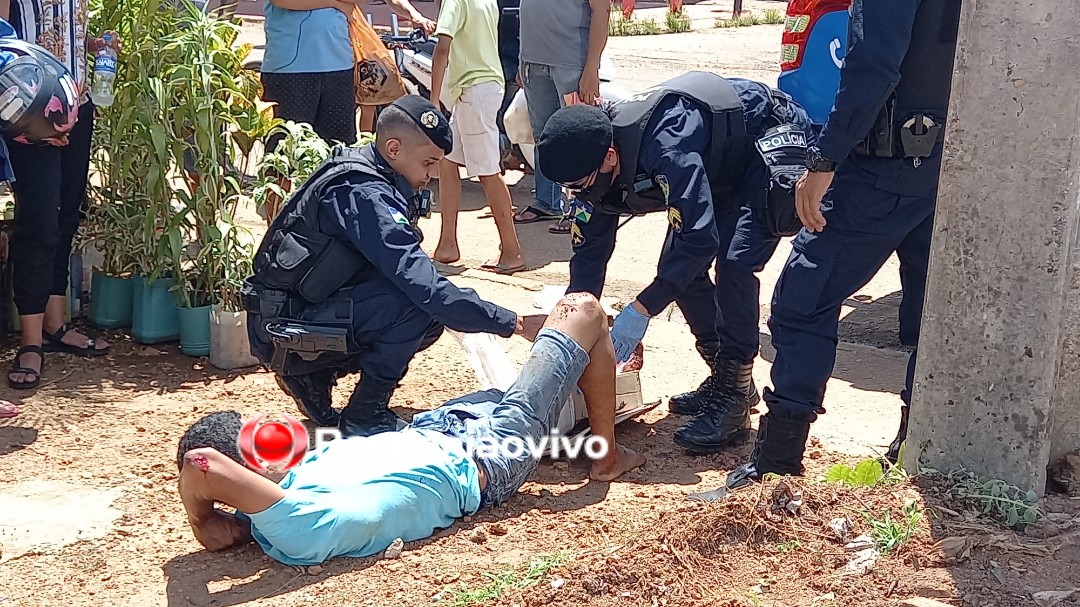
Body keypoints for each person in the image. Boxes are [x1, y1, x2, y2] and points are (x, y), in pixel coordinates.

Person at [177, 292, 646, 565]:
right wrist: (204, 522)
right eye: (257, 442)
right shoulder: (296, 523)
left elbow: (215, 480)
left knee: (562, 378)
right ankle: (605, 456)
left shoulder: (299, 484)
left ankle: (594, 416)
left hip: (434, 428)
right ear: (249, 474)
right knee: (582, 311)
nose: (271, 431)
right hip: (489, 456)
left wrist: (223, 522)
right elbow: (203, 467)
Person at [724, 0, 963, 489]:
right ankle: (916, 449)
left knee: (803, 298)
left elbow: (873, 64)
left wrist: (824, 160)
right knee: (932, 316)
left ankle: (776, 466)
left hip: (885, 167)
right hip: (949, 161)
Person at [535, 71, 816, 453]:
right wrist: (573, 330)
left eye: (582, 185)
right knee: (681, 270)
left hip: (761, 141)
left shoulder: (665, 145)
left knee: (733, 262)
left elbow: (699, 241)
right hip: (713, 158)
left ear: (611, 158)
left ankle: (734, 399)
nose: (580, 194)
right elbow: (589, 254)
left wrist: (641, 309)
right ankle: (726, 376)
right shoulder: (590, 163)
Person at [243, 95, 525, 439]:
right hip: (283, 326)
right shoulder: (364, 192)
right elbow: (424, 286)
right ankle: (365, 413)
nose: (430, 175)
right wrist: (515, 323)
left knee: (426, 314)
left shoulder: (372, 171)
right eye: (427, 163)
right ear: (394, 148)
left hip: (295, 313)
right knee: (418, 304)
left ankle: (311, 376)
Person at [0, 0, 119, 389]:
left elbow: (68, 31)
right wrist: (31, 114)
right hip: (29, 115)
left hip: (77, 106)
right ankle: (30, 341)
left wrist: (96, 49)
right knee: (39, 220)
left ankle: (55, 324)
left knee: (67, 213)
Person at [429, 0, 525, 274]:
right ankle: (447, 244)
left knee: (487, 171)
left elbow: (442, 49)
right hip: (477, 88)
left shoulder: (454, 1)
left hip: (473, 90)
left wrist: (433, 101)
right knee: (448, 162)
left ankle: (511, 250)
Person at [511, 0, 610, 236]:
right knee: (543, 136)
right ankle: (548, 202)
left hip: (571, 63)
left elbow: (602, 11)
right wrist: (522, 59)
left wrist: (591, 68)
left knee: (579, 139)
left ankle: (583, 206)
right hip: (533, 63)